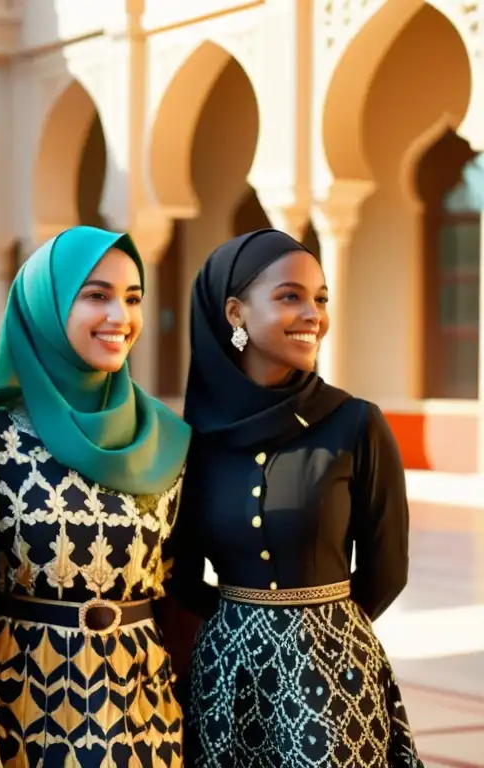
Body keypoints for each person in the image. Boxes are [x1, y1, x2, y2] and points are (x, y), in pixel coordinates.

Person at [171, 228, 423, 767]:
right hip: (228, 675)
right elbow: (181, 572)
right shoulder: (194, 443)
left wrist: (323, 631)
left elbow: (388, 568)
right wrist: (243, 622)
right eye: (290, 296)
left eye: (321, 299)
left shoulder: (355, 423)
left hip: (334, 674)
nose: (314, 314)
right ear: (235, 312)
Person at [0, 225, 193, 767]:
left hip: (143, 703)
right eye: (96, 295)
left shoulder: (170, 439)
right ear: (46, 306)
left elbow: (182, 593)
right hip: (24, 702)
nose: (120, 317)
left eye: (133, 298)